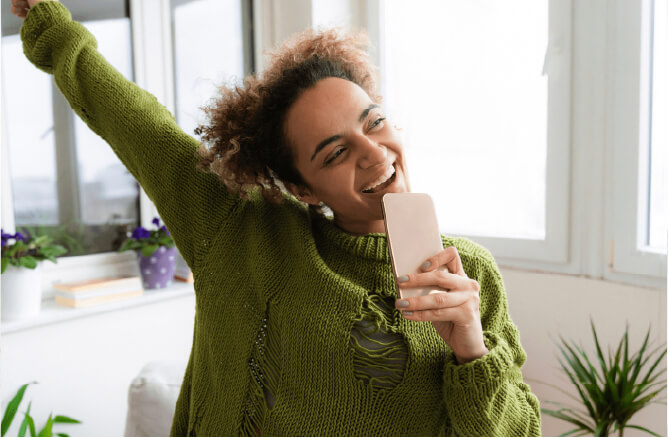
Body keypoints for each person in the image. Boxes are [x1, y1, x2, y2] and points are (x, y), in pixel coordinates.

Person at [11, 0, 542, 436]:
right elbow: (138, 123)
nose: (375, 153)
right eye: (335, 152)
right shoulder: (241, 232)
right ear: (300, 188)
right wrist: (54, 28)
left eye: (374, 122)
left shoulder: (470, 276)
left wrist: (471, 349)